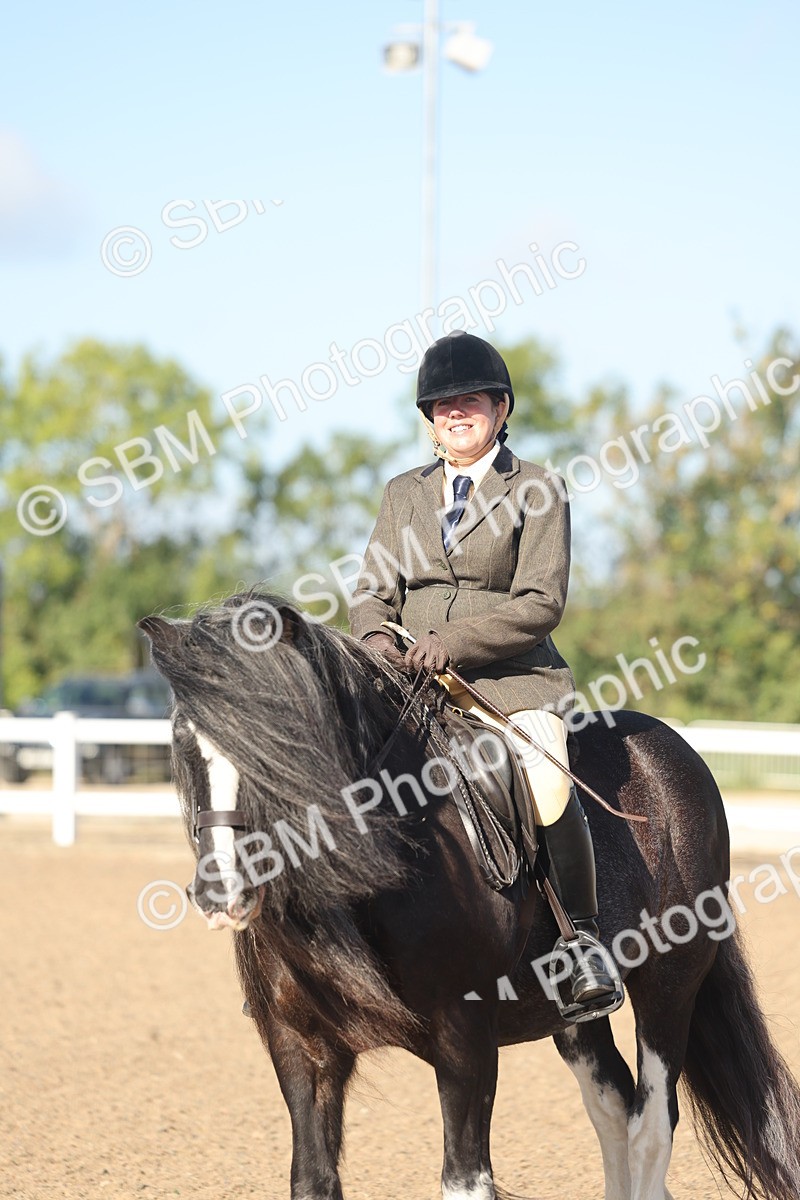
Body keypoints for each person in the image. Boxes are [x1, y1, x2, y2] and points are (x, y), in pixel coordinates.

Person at [349, 330, 616, 1010]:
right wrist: (379, 643)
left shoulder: (535, 488)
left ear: (500, 408)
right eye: (441, 405)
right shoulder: (402, 492)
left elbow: (541, 603)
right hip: (409, 679)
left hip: (509, 681)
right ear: (429, 420)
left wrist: (455, 642)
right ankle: (326, 938)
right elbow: (372, 592)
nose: (454, 412)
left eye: (469, 400)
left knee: (544, 770)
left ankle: (581, 942)